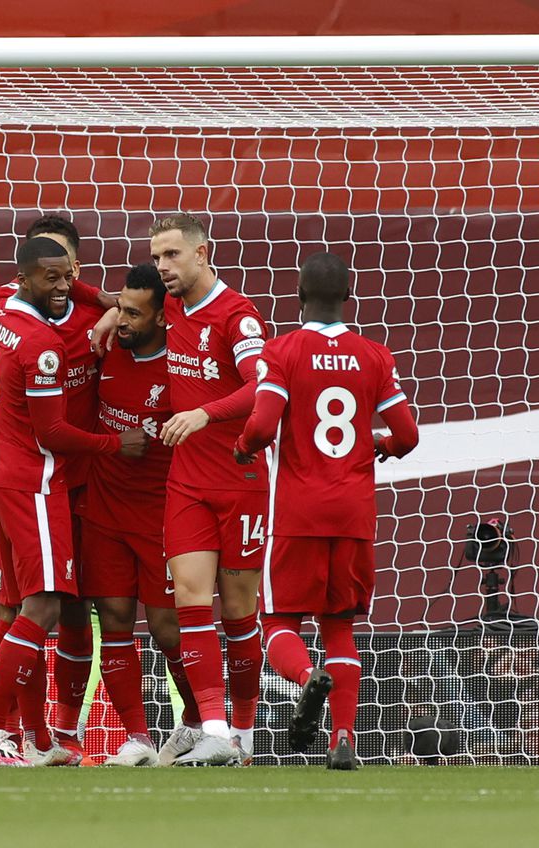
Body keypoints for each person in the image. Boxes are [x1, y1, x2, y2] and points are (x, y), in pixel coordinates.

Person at [0, 237, 146, 766]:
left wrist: (102, 300)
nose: (63, 287)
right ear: (26, 277)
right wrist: (117, 443)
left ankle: (42, 739)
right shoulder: (42, 345)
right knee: (41, 606)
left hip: (8, 479)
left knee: (39, 606)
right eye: (52, 277)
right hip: (39, 483)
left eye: (69, 275)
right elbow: (54, 434)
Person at [234, 251, 419, 769]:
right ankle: (344, 738)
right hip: (355, 514)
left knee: (276, 621)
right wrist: (381, 444)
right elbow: (407, 435)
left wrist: (246, 444)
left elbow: (265, 423)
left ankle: (304, 676)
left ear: (298, 295)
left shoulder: (282, 351)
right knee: (339, 627)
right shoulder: (375, 355)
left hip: (298, 512)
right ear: (348, 296)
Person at [135, 213, 270, 766]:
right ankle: (211, 726)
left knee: (239, 612)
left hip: (240, 480)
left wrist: (203, 413)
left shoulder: (238, 317)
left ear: (202, 253)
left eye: (171, 255)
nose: (162, 266)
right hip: (187, 481)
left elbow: (262, 387)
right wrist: (100, 314)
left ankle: (243, 730)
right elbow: (116, 300)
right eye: (157, 256)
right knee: (190, 601)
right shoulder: (167, 307)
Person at [78, 264, 200, 766]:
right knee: (115, 622)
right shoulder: (104, 350)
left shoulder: (181, 369)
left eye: (132, 312)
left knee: (169, 629)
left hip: (162, 514)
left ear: (162, 319)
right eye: (118, 308)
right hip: (105, 512)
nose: (120, 319)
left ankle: (198, 723)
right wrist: (108, 310)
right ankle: (138, 738)